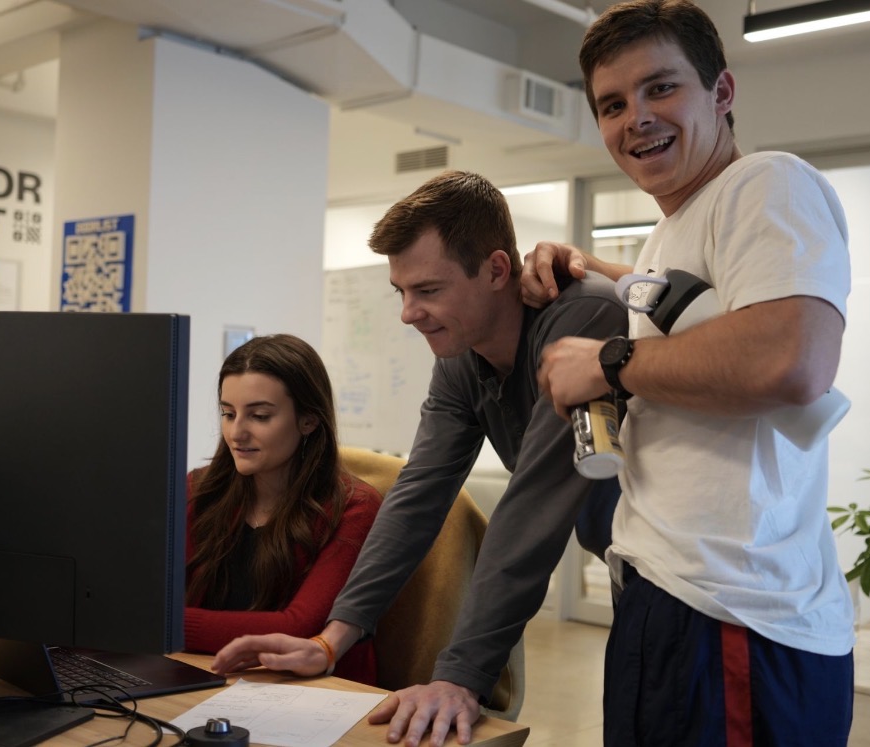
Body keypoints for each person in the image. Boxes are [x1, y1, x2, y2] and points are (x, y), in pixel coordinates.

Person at [524, 1, 856, 744]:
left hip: (734, 614)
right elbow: (686, 307)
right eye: (612, 104)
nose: (635, 117)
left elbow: (790, 358)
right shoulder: (672, 229)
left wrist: (609, 361)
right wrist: (582, 264)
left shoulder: (768, 184)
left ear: (723, 93)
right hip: (669, 597)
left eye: (660, 88)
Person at [213, 170, 627, 747]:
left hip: (708, 581)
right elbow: (417, 496)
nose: (409, 313)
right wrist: (333, 640)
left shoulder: (581, 316)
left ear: (497, 270)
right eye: (401, 292)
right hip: (630, 570)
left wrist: (460, 676)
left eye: (428, 290)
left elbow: (531, 507)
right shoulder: (461, 359)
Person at [183, 333, 382, 685]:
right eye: (228, 414)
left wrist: (164, 623)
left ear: (308, 420)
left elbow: (297, 628)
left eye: (259, 416)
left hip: (312, 693)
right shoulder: (199, 490)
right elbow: (153, 594)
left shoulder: (354, 507)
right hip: (206, 675)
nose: (236, 433)